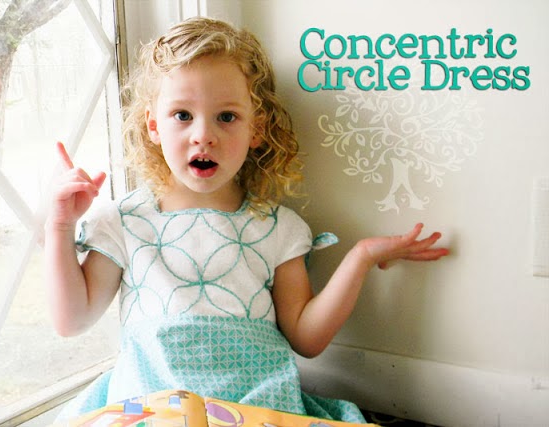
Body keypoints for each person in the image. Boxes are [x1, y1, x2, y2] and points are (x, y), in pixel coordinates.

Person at [45, 17, 448, 422]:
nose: (203, 135)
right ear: (153, 125)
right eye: (182, 115)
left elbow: (306, 339)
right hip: (154, 408)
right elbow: (71, 320)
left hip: (253, 409)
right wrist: (60, 226)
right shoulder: (126, 222)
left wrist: (360, 258)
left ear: (256, 129)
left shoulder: (277, 228)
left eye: (226, 117)